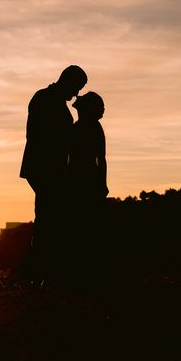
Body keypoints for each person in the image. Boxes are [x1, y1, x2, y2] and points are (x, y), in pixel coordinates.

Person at [19, 65, 87, 287]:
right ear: (68, 81)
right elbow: (39, 135)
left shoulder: (53, 100)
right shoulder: (44, 98)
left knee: (49, 217)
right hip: (43, 167)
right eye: (77, 87)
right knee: (48, 218)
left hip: (50, 168)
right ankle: (34, 274)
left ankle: (39, 273)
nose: (76, 94)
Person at [67, 91, 109, 288]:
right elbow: (101, 159)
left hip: (84, 180)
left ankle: (86, 272)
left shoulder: (83, 128)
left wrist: (102, 183)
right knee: (83, 226)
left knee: (86, 226)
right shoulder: (82, 128)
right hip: (81, 180)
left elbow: (101, 159)